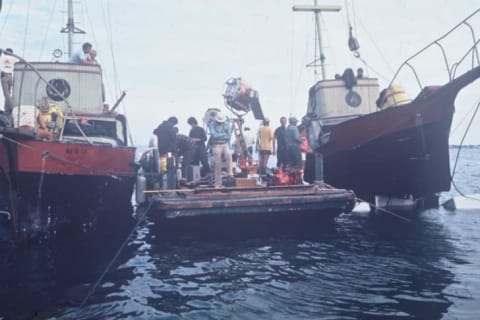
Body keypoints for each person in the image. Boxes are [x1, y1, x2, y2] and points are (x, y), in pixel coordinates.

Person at [208, 112, 232, 188]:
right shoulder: (212, 124)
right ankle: (217, 183)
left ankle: (230, 174)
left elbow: (228, 136)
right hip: (216, 145)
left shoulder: (227, 124)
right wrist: (223, 135)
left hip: (225, 144)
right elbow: (214, 135)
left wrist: (219, 135)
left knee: (229, 156)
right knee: (217, 163)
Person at [1, 48, 20, 114]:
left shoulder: (3, 58)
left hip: (5, 76)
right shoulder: (12, 59)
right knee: (8, 94)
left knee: (6, 94)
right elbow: (19, 61)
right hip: (10, 76)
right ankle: (7, 108)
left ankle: (13, 106)